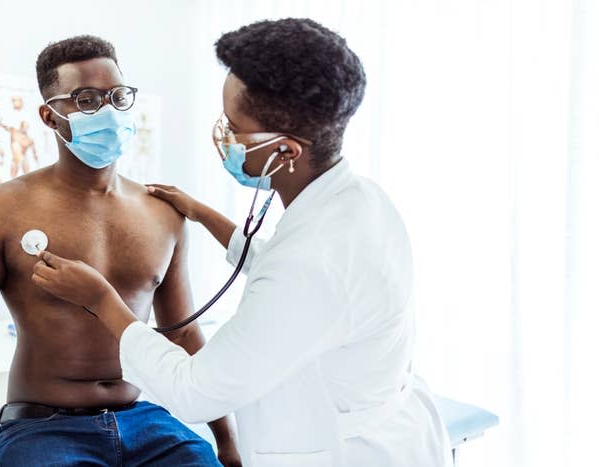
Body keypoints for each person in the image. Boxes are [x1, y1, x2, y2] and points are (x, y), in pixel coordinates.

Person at [32, 19, 453, 467]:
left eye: (233, 127)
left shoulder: (311, 261)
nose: (223, 136)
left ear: (285, 152)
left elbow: (194, 392)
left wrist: (101, 300)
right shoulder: (360, 200)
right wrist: (204, 214)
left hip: (345, 450)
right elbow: (283, 267)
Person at [0, 35, 240, 466]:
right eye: (87, 99)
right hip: (43, 427)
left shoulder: (163, 213)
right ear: (50, 115)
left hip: (145, 419)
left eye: (117, 96)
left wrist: (226, 439)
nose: (108, 111)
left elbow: (184, 334)